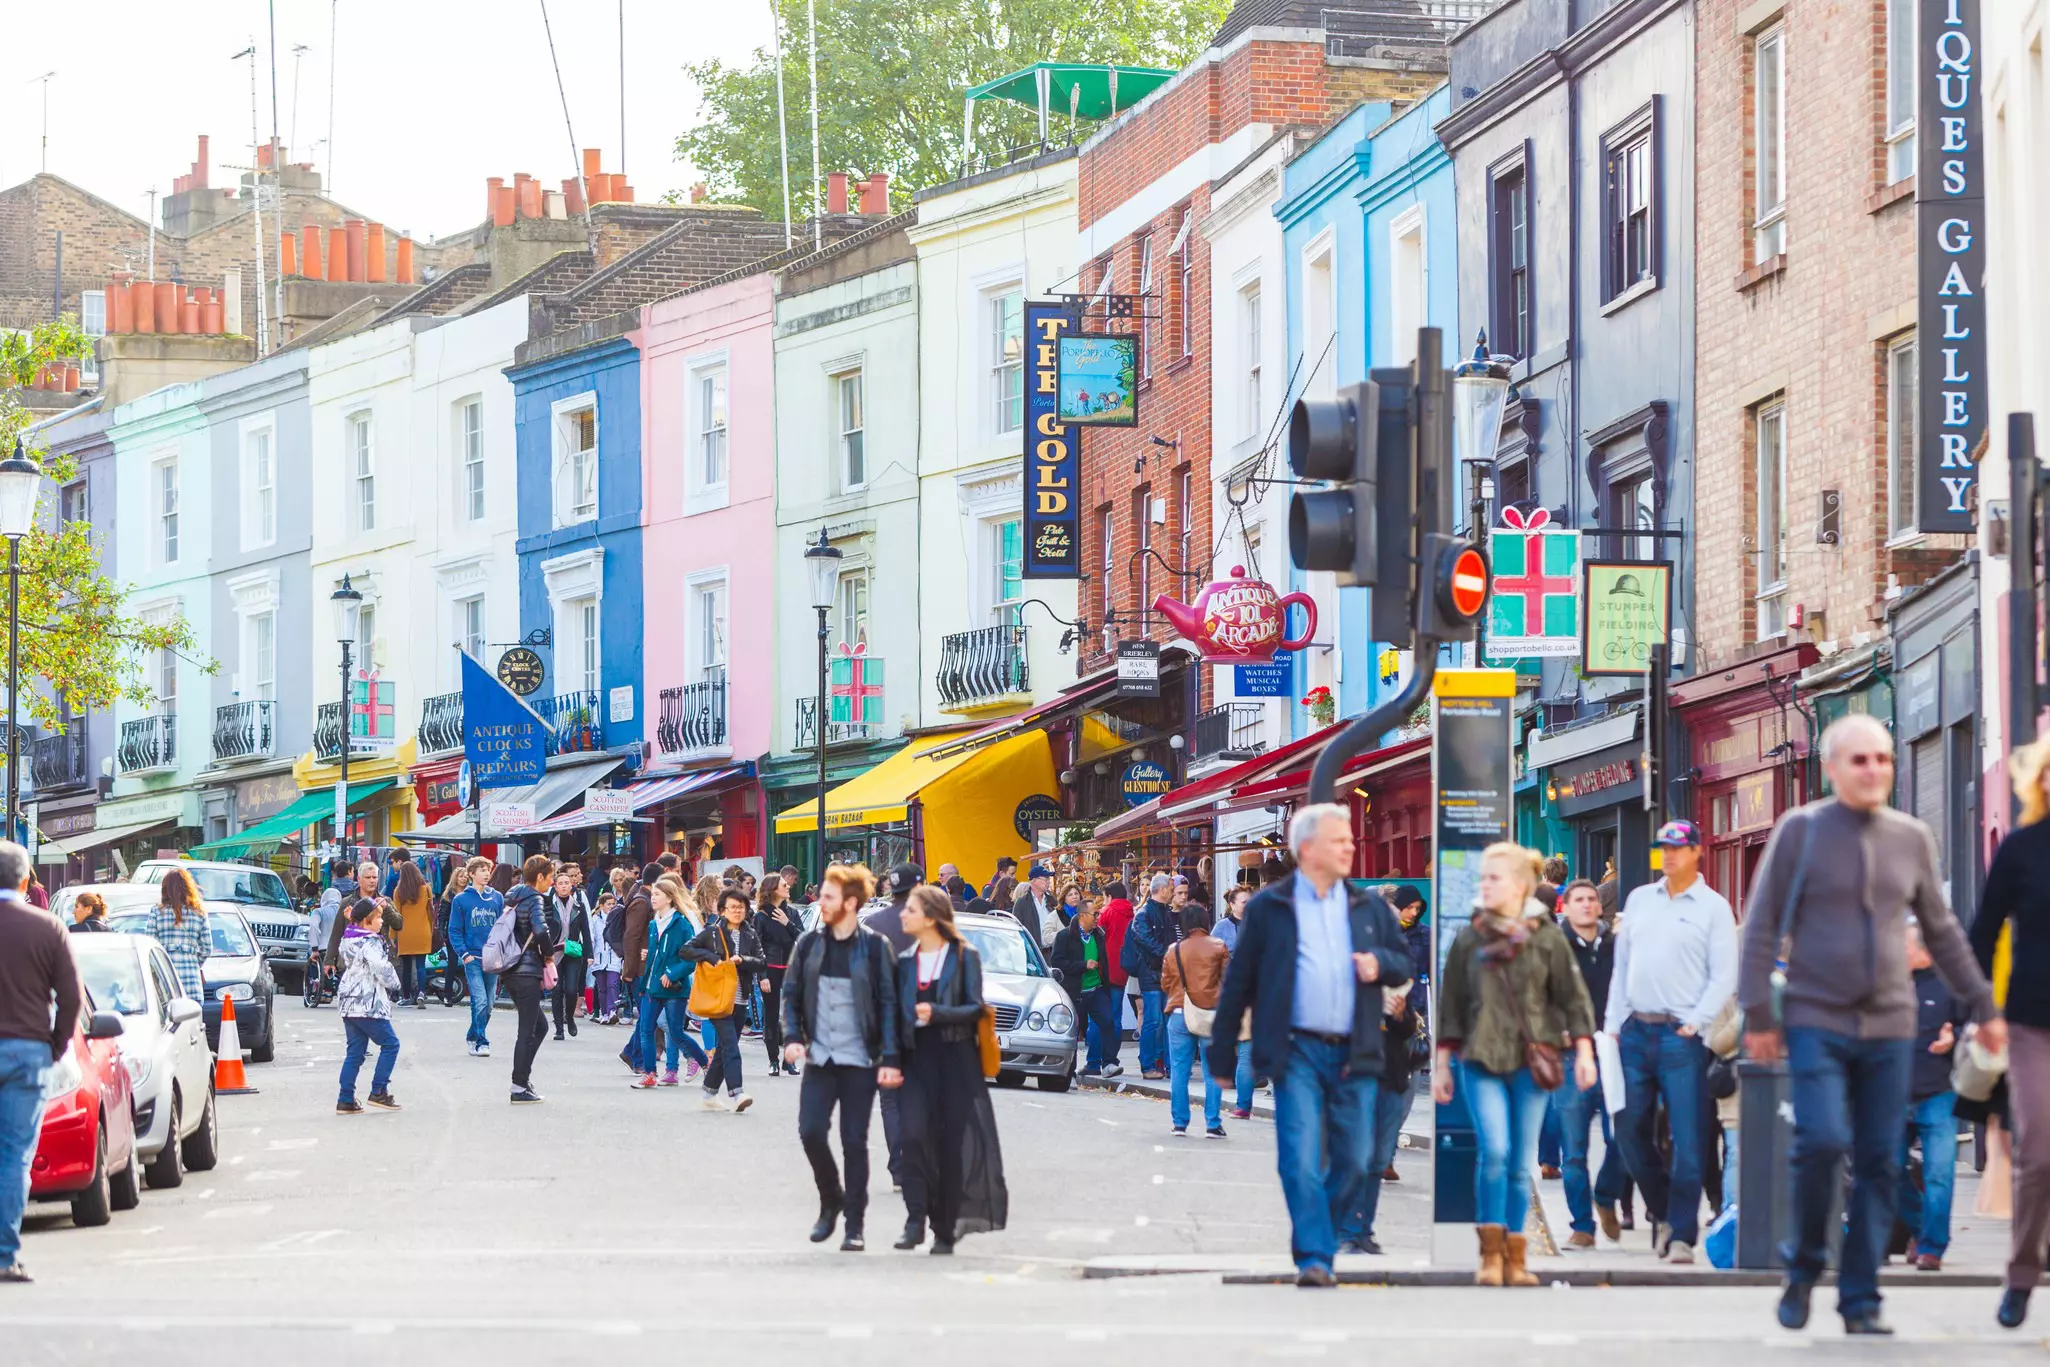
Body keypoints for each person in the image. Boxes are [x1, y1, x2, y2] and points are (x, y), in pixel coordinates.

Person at [1741, 713, 2000, 1336]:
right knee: (1824, 1141)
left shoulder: (1911, 837)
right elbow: (1761, 928)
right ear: (1832, 769)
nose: (1874, 770)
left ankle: (1860, 1297)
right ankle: (1803, 1267)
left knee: (1883, 1160)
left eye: (1883, 759)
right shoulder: (1799, 833)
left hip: (1891, 1025)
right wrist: (1756, 1012)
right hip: (1815, 1017)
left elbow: (1941, 932)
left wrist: (1985, 1008)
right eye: (1860, 760)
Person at [1207, 804, 1412, 1288]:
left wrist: (1377, 964)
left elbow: (1401, 964)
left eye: (1349, 840)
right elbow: (1239, 981)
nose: (1350, 847)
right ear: (1307, 850)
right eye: (1339, 840)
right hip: (1297, 1050)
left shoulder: (1366, 907)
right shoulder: (1269, 908)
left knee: (1358, 1158)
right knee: (1299, 1155)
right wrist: (1220, 1049)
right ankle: (1315, 1255)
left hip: (1356, 1049)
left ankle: (1327, 1233)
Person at [1436, 842, 1597, 1287]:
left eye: (1494, 878)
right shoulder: (1470, 937)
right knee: (1496, 1152)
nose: (1485, 885)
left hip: (1532, 1061)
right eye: (1483, 878)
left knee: (1520, 1159)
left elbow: (1572, 997)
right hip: (1480, 1058)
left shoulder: (1546, 936)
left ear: (1521, 884)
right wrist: (1443, 1063)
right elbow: (1451, 1004)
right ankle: (1489, 1255)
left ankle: (1515, 1255)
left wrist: (1584, 1052)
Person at [1603, 819, 1738, 1265]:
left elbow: (1724, 973)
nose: (1671, 855)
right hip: (1635, 1031)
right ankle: (1661, 1210)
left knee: (1689, 1137)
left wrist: (1697, 1022)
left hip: (1682, 1035)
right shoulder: (1640, 900)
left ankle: (1681, 1234)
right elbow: (1622, 967)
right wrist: (1614, 1022)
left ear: (1698, 851)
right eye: (1664, 848)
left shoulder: (1713, 907)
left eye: (1679, 847)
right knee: (1627, 1129)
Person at [782, 864, 903, 1252]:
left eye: (829, 896)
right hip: (820, 1057)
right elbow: (791, 993)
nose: (820, 900)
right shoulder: (809, 944)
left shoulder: (874, 947)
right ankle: (830, 1196)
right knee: (811, 1131)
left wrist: (889, 1057)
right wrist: (791, 1037)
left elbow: (889, 1003)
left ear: (850, 903)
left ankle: (854, 1224)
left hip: (860, 1060)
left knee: (854, 1140)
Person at [1972, 735, 2050, 1328]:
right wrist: (1983, 1012)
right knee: (2040, 1151)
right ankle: (2023, 1273)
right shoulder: (2022, 850)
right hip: (2031, 1022)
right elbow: (1982, 932)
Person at [895, 885, 1007, 1253]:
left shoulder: (963, 957)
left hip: (955, 1059)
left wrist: (936, 1013)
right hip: (915, 1058)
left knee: (948, 1144)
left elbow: (975, 1007)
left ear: (930, 917)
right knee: (911, 1136)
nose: (902, 915)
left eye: (909, 909)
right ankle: (915, 1218)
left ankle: (944, 1229)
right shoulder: (905, 961)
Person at [0, 841, 78, 1282]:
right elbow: (70, 998)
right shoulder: (48, 928)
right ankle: (4, 1254)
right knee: (13, 1156)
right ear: (26, 880)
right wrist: (54, 1045)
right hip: (28, 1050)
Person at [1549, 878, 1625, 1247]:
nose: (1586, 905)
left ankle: (1606, 1194)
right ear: (1565, 905)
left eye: (1591, 899)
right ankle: (1582, 1225)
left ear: (1599, 906)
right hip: (1568, 1057)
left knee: (1624, 1137)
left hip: (1612, 1053)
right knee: (1574, 1150)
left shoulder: (1617, 945)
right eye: (1578, 899)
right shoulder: (1553, 947)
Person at [1894, 918, 1967, 1271]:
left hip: (1938, 1093)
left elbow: (1972, 1030)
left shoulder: (1951, 986)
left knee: (1940, 1172)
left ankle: (1931, 1248)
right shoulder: (1887, 985)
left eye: (1904, 946)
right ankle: (1923, 1228)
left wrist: (1953, 1040)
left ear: (1923, 951)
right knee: (1886, 1169)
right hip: (1890, 1095)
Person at [1339, 983, 1423, 1255]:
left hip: (1393, 1078)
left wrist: (1401, 1016)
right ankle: (1349, 1229)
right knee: (1358, 1157)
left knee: (1378, 1160)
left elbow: (1409, 1029)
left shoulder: (1397, 983)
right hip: (1359, 1075)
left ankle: (1364, 1230)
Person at [864, 864, 921, 1189]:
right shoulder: (932, 925)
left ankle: (899, 1166)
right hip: (923, 1020)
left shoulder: (871, 924)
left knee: (890, 1098)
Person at [684, 888, 764, 1111]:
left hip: (740, 1000)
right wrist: (712, 958)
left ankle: (709, 1095)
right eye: (733, 907)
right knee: (730, 1045)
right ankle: (737, 1092)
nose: (738, 912)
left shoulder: (750, 933)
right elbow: (687, 950)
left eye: (741, 908)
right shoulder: (712, 932)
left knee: (724, 1048)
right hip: (718, 998)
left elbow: (762, 961)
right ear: (722, 910)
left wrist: (743, 960)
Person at [630, 876, 709, 1089]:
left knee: (676, 1032)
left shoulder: (682, 924)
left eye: (657, 894)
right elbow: (661, 953)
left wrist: (673, 973)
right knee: (646, 1029)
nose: (652, 898)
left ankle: (704, 1062)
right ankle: (650, 1074)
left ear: (669, 898)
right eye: (653, 894)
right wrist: (650, 957)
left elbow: (690, 958)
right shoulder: (654, 924)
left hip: (674, 988)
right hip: (652, 986)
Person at [1160, 903, 1229, 1138]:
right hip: (1211, 1015)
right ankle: (1213, 1123)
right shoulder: (1218, 946)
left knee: (1180, 1070)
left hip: (1180, 1013)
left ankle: (1179, 1123)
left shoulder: (1173, 950)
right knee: (1212, 1072)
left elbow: (1166, 983)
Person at [503, 855, 562, 1104]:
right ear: (539, 877)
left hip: (510, 969)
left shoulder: (512, 896)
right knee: (528, 1030)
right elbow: (540, 929)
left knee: (539, 1026)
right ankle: (519, 1085)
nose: (550, 884)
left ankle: (523, 1079)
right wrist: (549, 955)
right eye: (549, 878)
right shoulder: (534, 898)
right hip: (527, 970)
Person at [335, 897, 403, 1115]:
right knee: (391, 1044)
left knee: (355, 1052)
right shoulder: (370, 943)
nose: (382, 921)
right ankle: (379, 1090)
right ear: (367, 920)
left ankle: (345, 1098)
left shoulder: (348, 939)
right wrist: (395, 983)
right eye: (378, 917)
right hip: (368, 1002)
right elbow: (381, 968)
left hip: (349, 1002)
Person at [1052, 898, 1120, 1077]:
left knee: (1108, 1022)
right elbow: (1057, 962)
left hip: (1096, 989)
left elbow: (1103, 960)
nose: (1098, 917)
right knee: (1072, 1032)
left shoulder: (1099, 934)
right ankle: (1069, 1072)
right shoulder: (1065, 936)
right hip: (1075, 992)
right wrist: (1083, 965)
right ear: (1082, 915)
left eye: (1098, 913)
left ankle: (1109, 1063)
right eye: (1094, 914)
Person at [447, 855, 506, 1057]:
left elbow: (502, 926)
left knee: (489, 1004)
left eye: (488, 870)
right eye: (481, 870)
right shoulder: (461, 899)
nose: (486, 874)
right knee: (479, 1000)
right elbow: (454, 929)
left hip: (493, 958)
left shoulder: (497, 897)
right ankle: (482, 1041)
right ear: (471, 874)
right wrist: (464, 954)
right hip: (472, 957)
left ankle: (473, 1035)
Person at [1125, 873, 1178, 1079]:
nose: (1172, 891)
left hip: (1163, 973)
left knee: (1164, 1021)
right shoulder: (1144, 914)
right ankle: (1148, 1064)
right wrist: (1169, 954)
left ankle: (1162, 1064)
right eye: (1171, 888)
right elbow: (1145, 940)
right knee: (1154, 1021)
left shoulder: (1163, 913)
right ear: (1162, 889)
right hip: (1151, 974)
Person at [755, 873, 803, 1075]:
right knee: (772, 1016)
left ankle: (789, 1060)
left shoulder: (791, 913)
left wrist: (787, 923)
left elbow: (803, 938)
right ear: (773, 889)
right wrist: (762, 975)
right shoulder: (761, 916)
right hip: (771, 969)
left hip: (791, 969)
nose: (788, 887)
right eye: (784, 885)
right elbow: (756, 947)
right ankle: (773, 1059)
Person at [146, 866, 212, 1003]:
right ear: (188, 888)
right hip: (191, 979)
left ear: (165, 889)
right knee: (193, 1020)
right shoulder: (199, 912)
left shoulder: (157, 912)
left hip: (165, 978)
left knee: (169, 1021)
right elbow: (207, 947)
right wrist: (193, 960)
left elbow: (150, 944)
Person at [616, 863, 659, 1067]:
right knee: (647, 1016)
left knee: (648, 1016)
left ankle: (631, 1053)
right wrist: (629, 970)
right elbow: (631, 937)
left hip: (645, 966)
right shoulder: (642, 902)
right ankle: (636, 1057)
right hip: (640, 967)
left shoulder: (647, 900)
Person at [1096, 881, 1134, 1080]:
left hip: (1105, 969)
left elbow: (1097, 937)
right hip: (1122, 970)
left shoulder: (1107, 912)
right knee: (1117, 1016)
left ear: (1109, 896)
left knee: (1102, 1016)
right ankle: (1113, 1058)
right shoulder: (1131, 913)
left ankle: (1103, 1058)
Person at [549, 868, 591, 1041]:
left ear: (572, 886)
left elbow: (586, 932)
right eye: (561, 883)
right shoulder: (548, 906)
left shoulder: (578, 907)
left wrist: (589, 954)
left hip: (573, 951)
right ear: (556, 887)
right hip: (554, 954)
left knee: (572, 988)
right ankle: (559, 1028)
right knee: (556, 990)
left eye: (567, 883)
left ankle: (570, 1018)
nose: (564, 886)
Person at [391, 858, 433, 1009]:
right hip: (423, 931)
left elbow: (396, 915)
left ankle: (407, 996)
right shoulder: (426, 889)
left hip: (404, 932)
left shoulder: (399, 892)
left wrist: (392, 936)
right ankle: (421, 992)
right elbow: (430, 912)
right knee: (421, 965)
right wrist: (431, 928)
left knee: (407, 967)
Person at [588, 890, 624, 1024]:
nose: (612, 906)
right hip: (599, 958)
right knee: (602, 987)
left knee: (612, 984)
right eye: (609, 904)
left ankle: (612, 1011)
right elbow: (591, 938)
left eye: (614, 904)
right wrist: (590, 954)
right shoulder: (595, 919)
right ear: (601, 905)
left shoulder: (619, 919)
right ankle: (604, 1013)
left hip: (614, 957)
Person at [1012, 865, 1060, 949]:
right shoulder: (1022, 903)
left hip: (1052, 952)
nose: (1048, 882)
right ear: (1034, 881)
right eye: (1046, 879)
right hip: (1033, 954)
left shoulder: (1052, 900)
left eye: (1049, 879)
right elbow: (1017, 930)